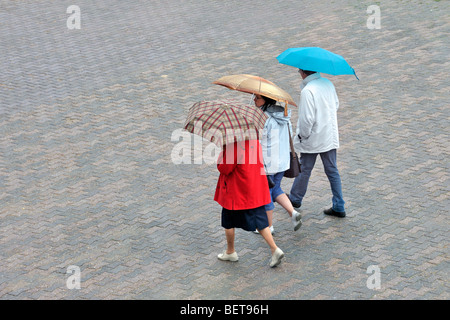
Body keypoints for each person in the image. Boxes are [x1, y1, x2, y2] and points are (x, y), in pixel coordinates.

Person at [214, 139, 284, 268]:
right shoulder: (254, 139)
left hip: (236, 191)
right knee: (260, 223)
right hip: (254, 188)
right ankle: (274, 249)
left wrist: (222, 153)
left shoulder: (233, 145)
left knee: (228, 221)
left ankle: (230, 251)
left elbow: (224, 168)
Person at [288, 69, 346, 217]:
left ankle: (295, 198)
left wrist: (302, 136)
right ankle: (339, 205)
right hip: (329, 135)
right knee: (332, 170)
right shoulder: (328, 83)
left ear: (303, 73)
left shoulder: (308, 91)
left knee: (305, 168)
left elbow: (307, 119)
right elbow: (336, 104)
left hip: (313, 137)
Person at [254, 94, 302, 233]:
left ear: (266, 100)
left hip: (268, 163)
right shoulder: (283, 115)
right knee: (276, 189)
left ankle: (269, 226)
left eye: (257, 98)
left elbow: (259, 140)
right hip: (283, 160)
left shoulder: (264, 118)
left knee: (265, 193)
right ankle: (293, 213)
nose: (254, 100)